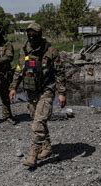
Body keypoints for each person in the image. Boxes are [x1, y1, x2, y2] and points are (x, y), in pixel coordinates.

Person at [9, 22, 66, 167]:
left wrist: (61, 93)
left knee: (38, 123)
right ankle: (47, 148)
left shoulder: (51, 51)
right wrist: (13, 87)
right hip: (31, 92)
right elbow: (19, 70)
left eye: (34, 34)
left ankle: (33, 154)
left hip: (47, 90)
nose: (31, 37)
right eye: (29, 34)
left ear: (40, 35)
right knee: (37, 120)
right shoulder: (24, 50)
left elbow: (60, 72)